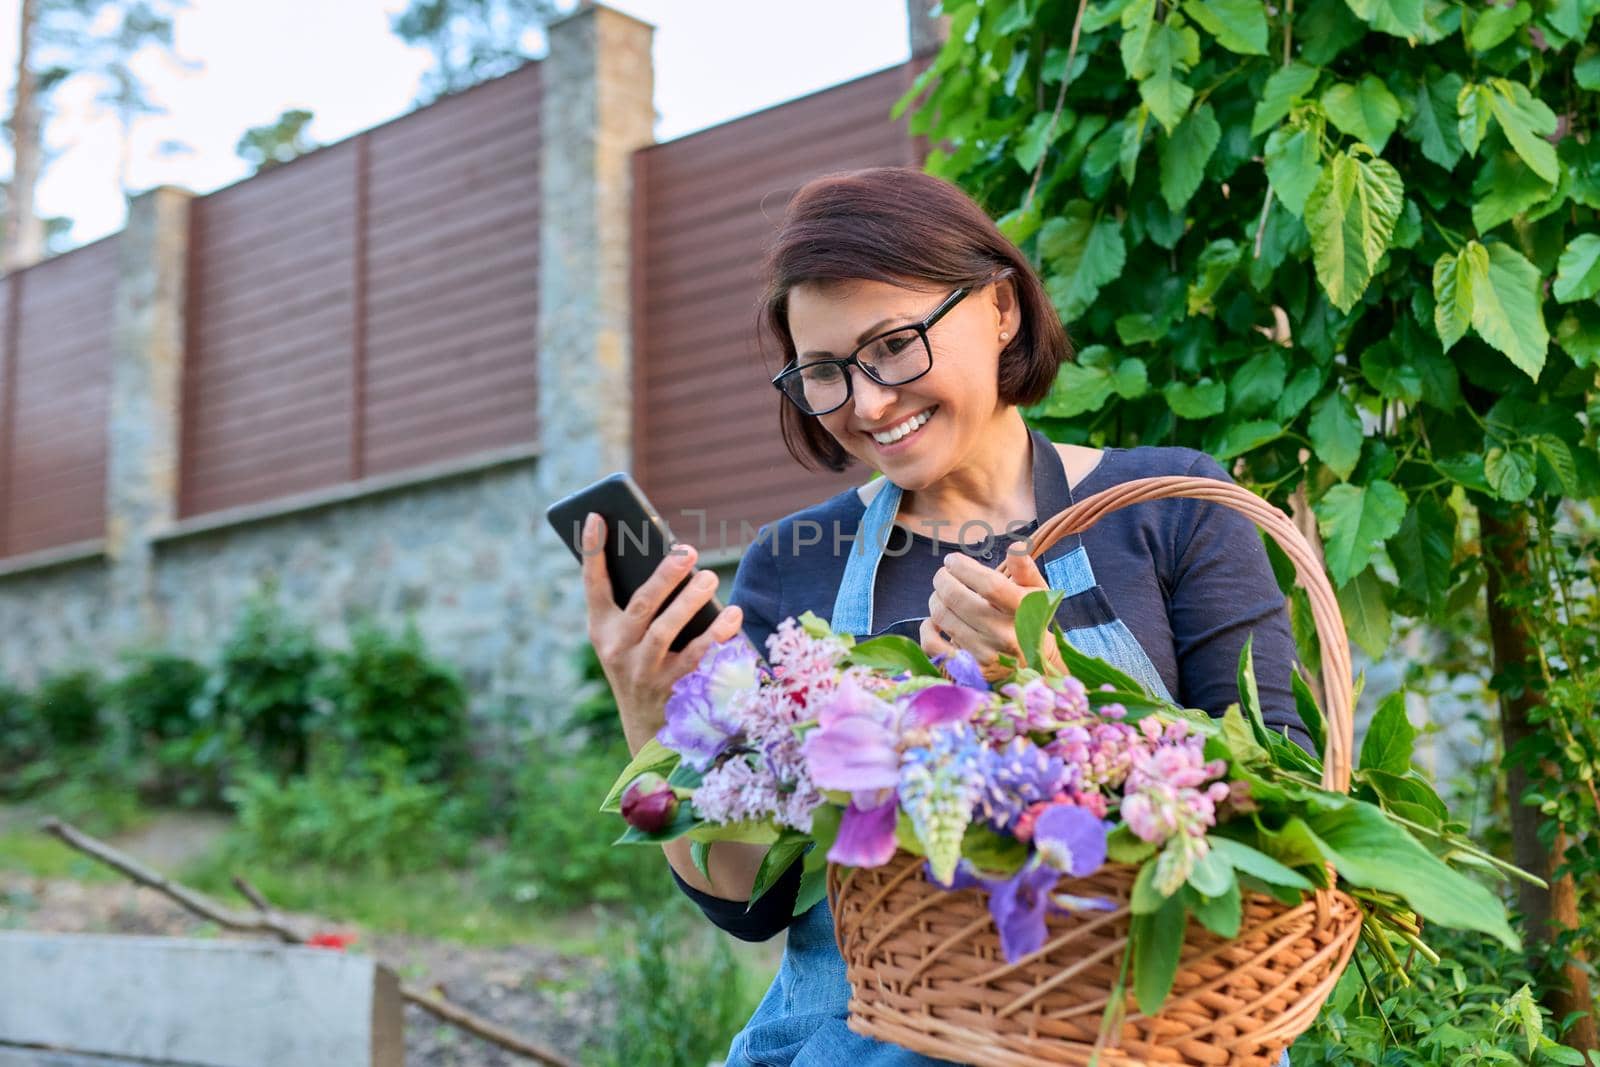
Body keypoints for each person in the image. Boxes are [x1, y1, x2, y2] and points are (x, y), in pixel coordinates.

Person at [580, 166, 1307, 1066]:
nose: (869, 402)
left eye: (892, 346)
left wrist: (1049, 688)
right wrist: (654, 715)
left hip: (1138, 1034)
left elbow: (1289, 810)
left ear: (1001, 307)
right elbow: (754, 902)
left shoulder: (1171, 506)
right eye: (825, 373)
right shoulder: (791, 561)